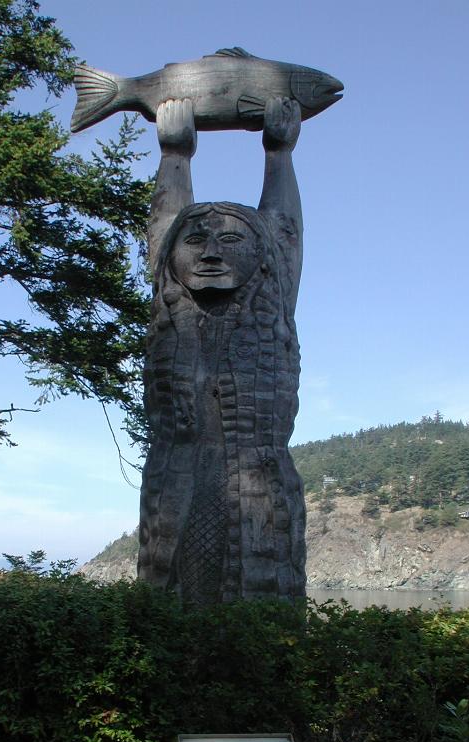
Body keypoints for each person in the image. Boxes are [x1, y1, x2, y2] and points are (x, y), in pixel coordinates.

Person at [138, 97, 306, 602]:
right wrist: (174, 155)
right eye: (196, 240)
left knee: (261, 612)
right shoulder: (170, 313)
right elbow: (163, 226)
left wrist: (280, 154)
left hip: (260, 493)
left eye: (231, 240)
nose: (210, 251)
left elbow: (285, 230)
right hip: (175, 484)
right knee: (166, 607)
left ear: (261, 255)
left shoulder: (274, 306)